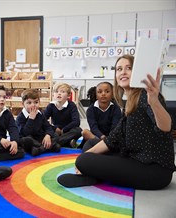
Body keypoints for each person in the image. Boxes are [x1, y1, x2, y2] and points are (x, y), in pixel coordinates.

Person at [58, 54, 176, 190]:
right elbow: (112, 139)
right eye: (119, 69)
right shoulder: (130, 101)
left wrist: (154, 101)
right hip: (135, 157)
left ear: (137, 72)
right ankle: (91, 173)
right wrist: (87, 155)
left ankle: (92, 174)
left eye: (129, 68)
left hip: (154, 171)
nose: (123, 72)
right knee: (90, 145)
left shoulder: (146, 96)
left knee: (84, 160)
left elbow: (166, 127)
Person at [16, 89, 61, 156]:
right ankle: (48, 146)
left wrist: (47, 135)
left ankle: (40, 148)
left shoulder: (40, 114)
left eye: (36, 102)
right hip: (30, 139)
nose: (33, 105)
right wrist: (31, 119)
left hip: (40, 138)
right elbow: (25, 133)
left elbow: (47, 127)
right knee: (26, 140)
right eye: (29, 103)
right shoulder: (20, 117)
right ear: (23, 104)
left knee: (55, 135)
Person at [81, 82, 122, 152]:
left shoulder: (116, 109)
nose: (103, 94)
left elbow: (115, 126)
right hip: (96, 137)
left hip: (111, 138)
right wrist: (101, 136)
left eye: (107, 91)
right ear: (96, 95)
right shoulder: (91, 109)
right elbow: (93, 127)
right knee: (85, 132)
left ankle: (103, 147)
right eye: (100, 92)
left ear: (112, 94)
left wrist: (108, 138)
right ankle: (104, 148)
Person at [43, 83, 82, 147]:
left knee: (78, 130)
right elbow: (42, 120)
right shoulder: (51, 106)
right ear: (53, 94)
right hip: (56, 130)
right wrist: (54, 128)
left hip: (68, 130)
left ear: (68, 95)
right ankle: (68, 142)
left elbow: (76, 122)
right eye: (56, 91)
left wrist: (63, 130)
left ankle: (55, 142)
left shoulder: (71, 105)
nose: (59, 93)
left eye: (62, 92)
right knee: (44, 130)